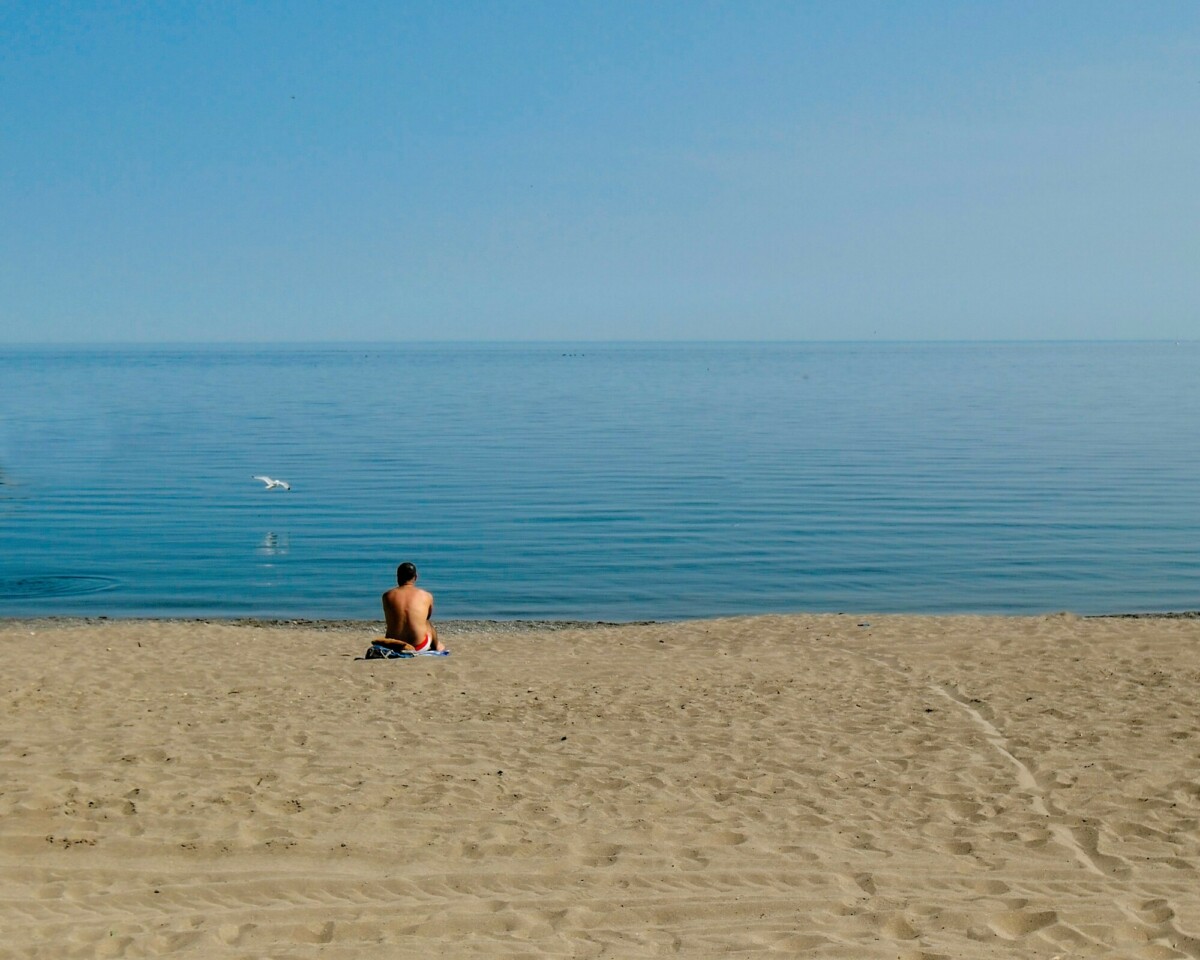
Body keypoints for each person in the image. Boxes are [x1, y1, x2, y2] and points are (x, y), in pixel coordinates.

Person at [376, 562, 444, 653]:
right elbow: (427, 617)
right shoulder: (426, 596)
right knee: (427, 623)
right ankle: (437, 646)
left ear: (398, 577)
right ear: (415, 577)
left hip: (393, 645)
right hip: (418, 646)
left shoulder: (387, 596)